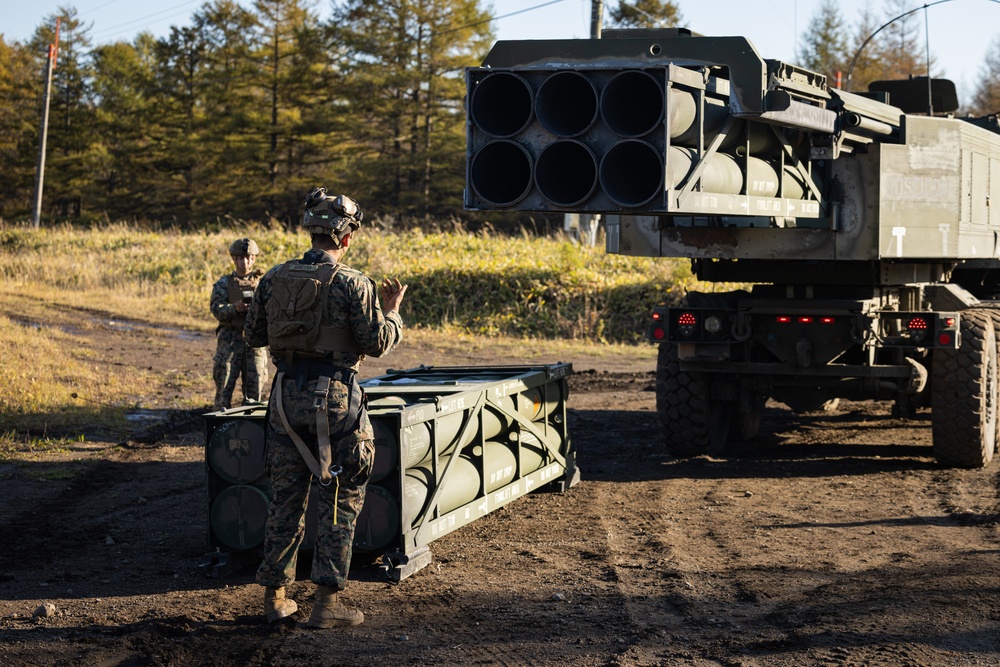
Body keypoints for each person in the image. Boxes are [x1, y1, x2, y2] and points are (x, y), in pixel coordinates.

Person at [244, 187, 406, 628]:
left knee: (284, 499)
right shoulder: (353, 282)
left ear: (311, 231)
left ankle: (275, 598)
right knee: (339, 499)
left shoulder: (273, 278)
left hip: (283, 401)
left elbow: (253, 336)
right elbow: (377, 343)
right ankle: (327, 607)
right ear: (346, 238)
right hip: (335, 401)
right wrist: (392, 313)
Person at [209, 238, 269, 410]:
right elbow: (216, 308)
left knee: (255, 390)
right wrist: (234, 308)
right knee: (223, 387)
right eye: (240, 258)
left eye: (249, 257)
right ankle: (219, 427)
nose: (245, 261)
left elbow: (272, 309)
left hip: (255, 342)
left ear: (254, 258)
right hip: (230, 340)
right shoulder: (224, 284)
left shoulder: (263, 284)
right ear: (234, 259)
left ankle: (252, 430)